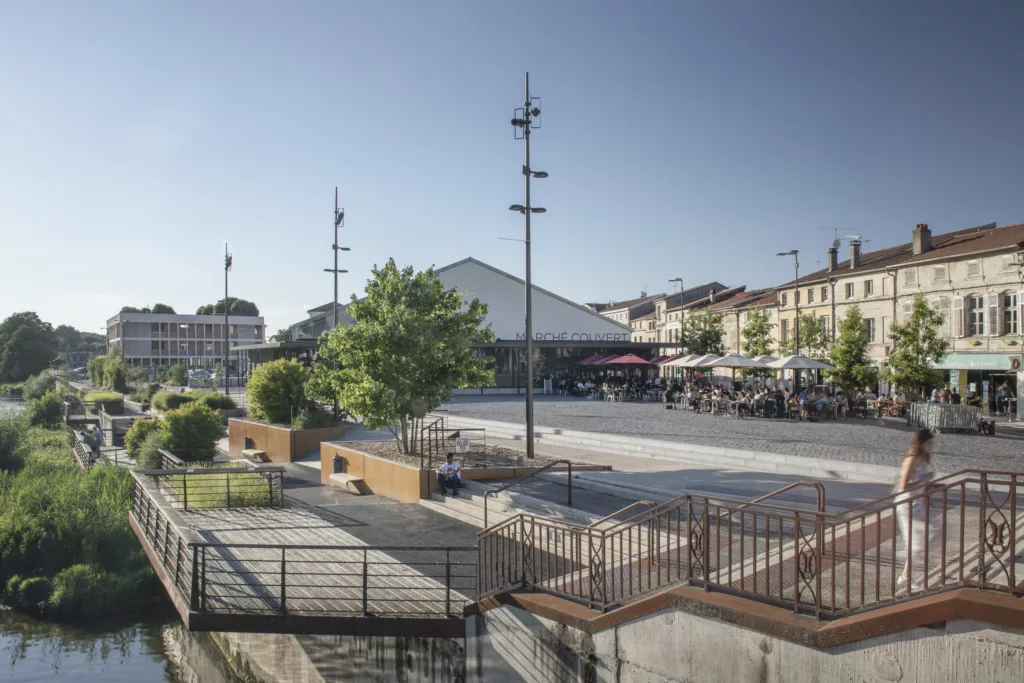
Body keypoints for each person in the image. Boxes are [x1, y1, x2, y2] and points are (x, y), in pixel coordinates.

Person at [895, 429, 942, 591]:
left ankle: (906, 574)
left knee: (933, 532)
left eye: (932, 443)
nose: (931, 447)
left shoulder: (923, 458)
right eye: (928, 443)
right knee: (918, 541)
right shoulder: (912, 459)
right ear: (921, 443)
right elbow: (903, 486)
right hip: (907, 504)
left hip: (918, 502)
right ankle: (906, 576)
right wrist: (924, 480)